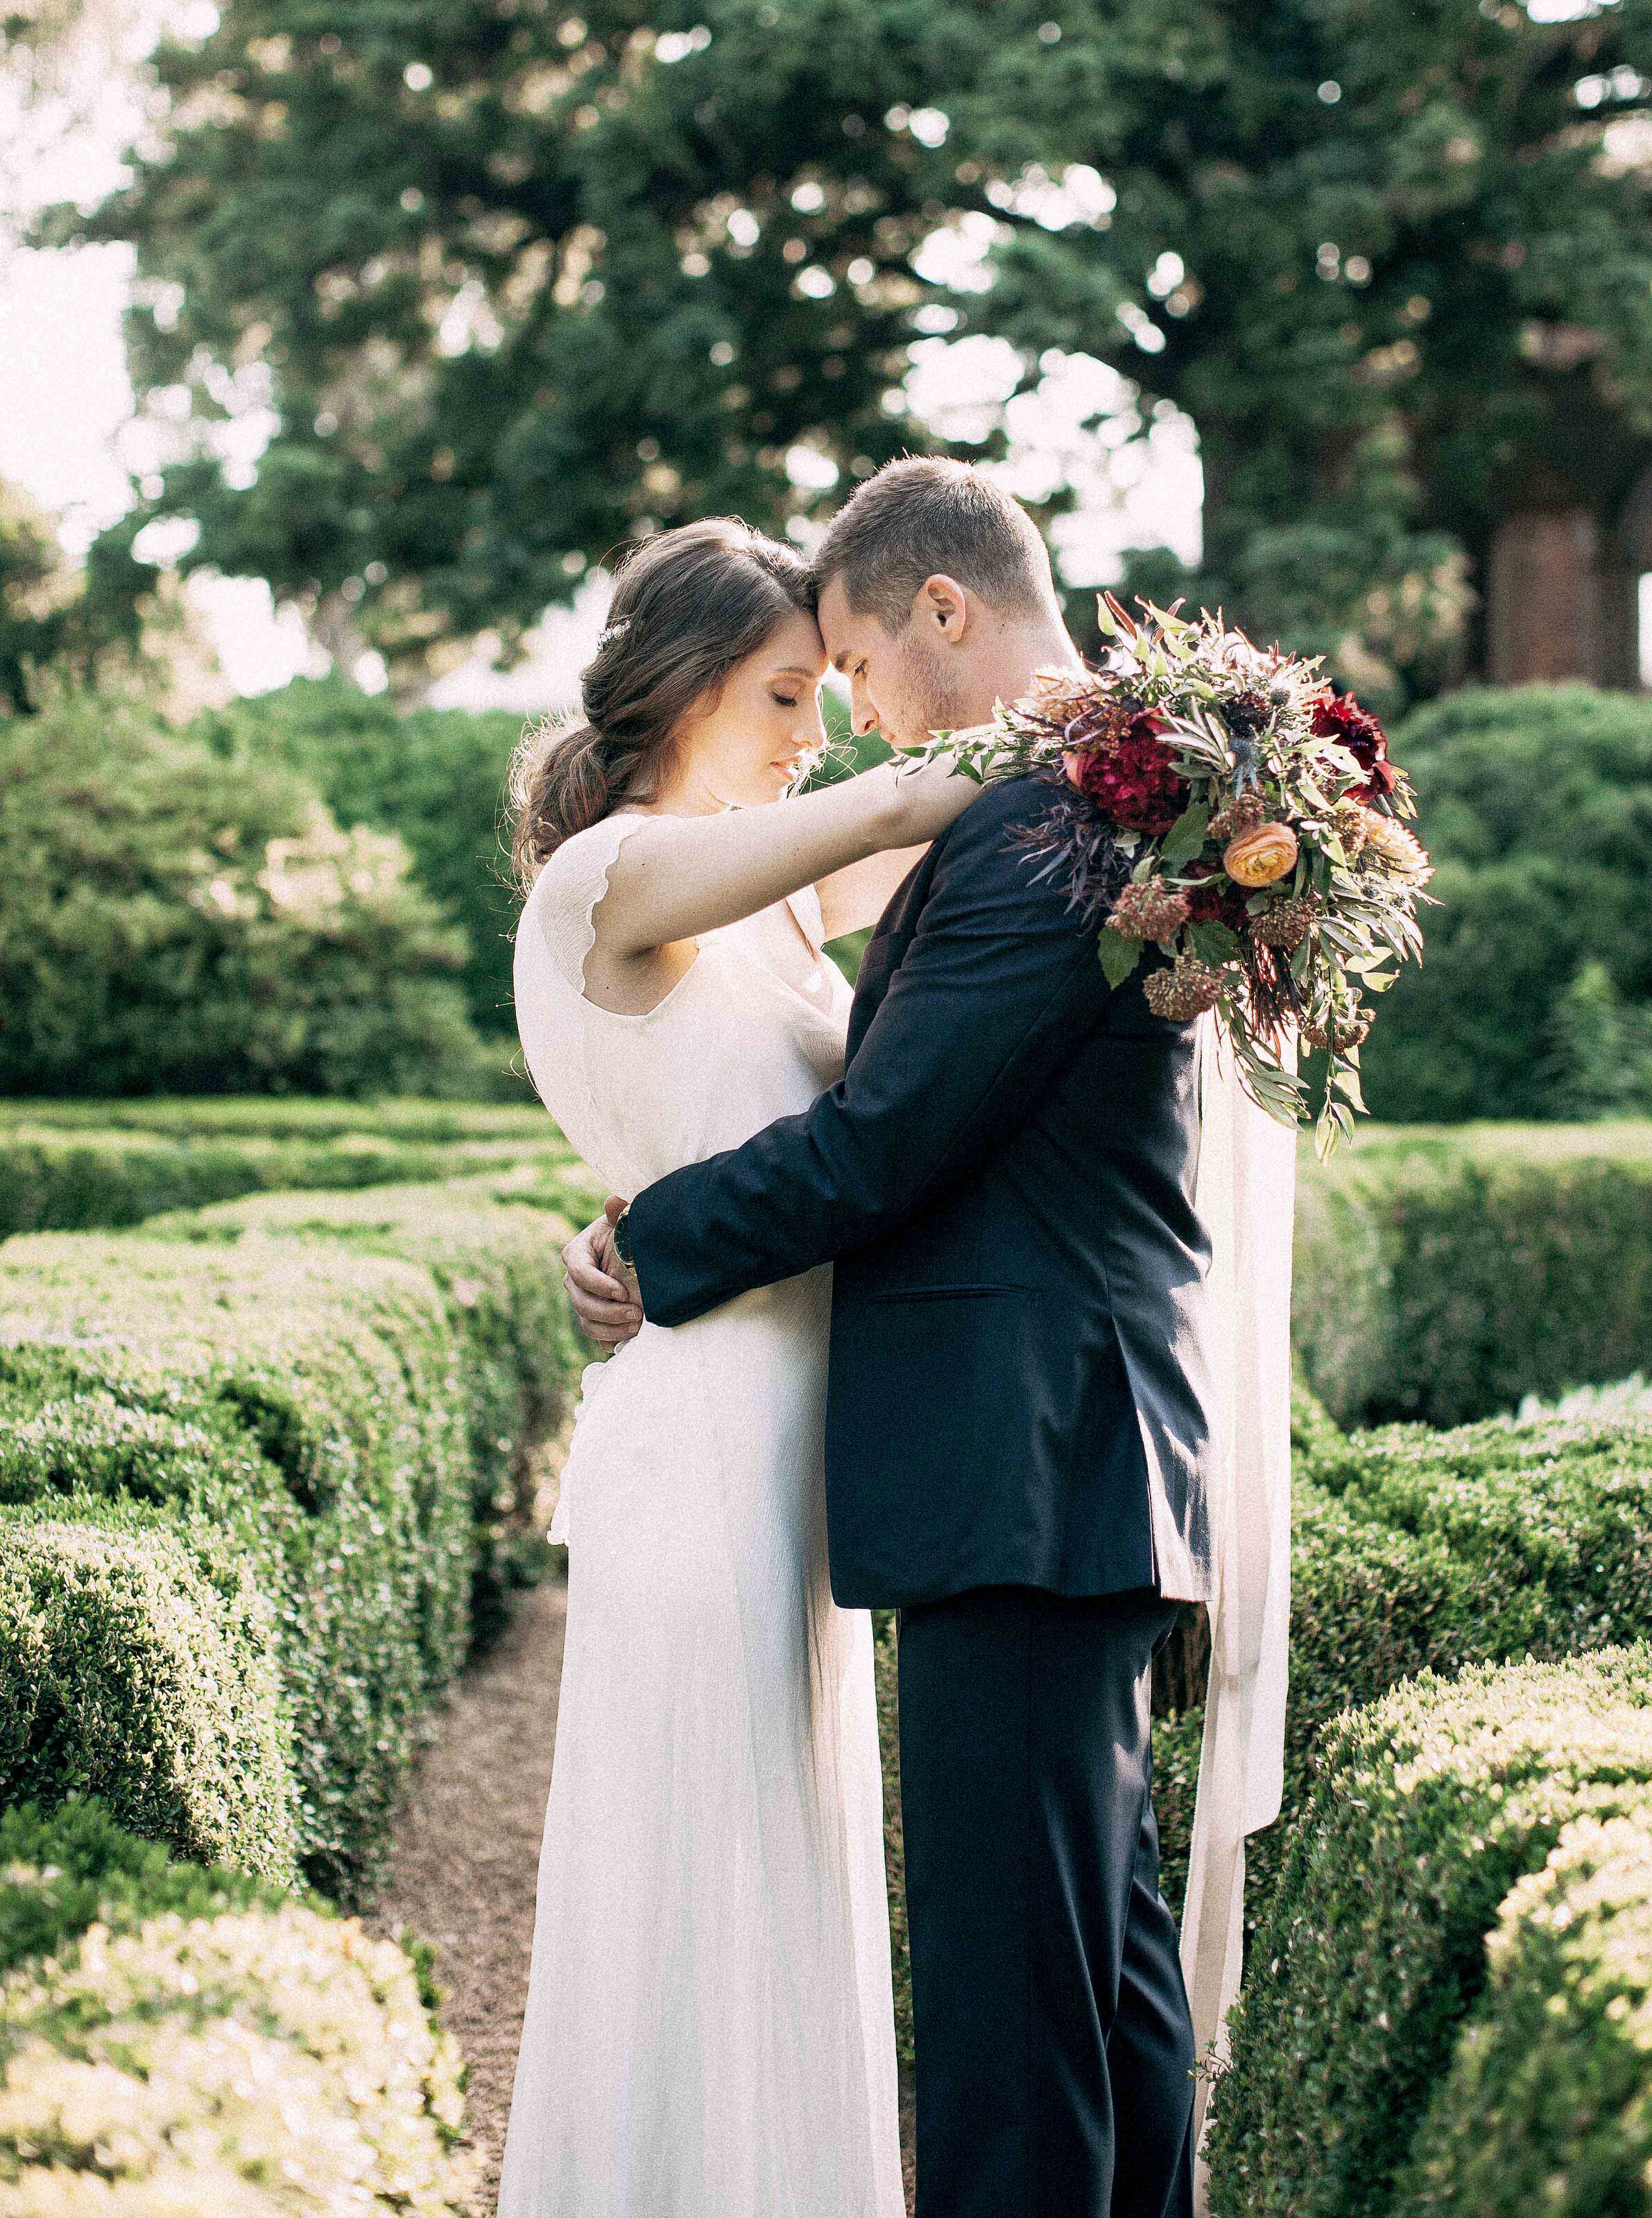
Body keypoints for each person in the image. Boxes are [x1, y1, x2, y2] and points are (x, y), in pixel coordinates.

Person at [563, 457, 1216, 2218]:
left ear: (943, 611)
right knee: (1091, 1981)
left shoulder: (1048, 828)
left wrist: (651, 1239)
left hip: (1025, 1462)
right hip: (1052, 1463)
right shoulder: (1079, 806)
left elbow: (888, 1137)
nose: (845, 718)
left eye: (844, 669)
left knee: (1023, 2026)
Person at [496, 514, 976, 2218]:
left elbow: (939, 879)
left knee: (779, 1889)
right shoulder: (611, 875)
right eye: (791, 691)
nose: (819, 730)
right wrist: (1093, 711)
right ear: (694, 681)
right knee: (698, 1894)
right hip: (701, 1454)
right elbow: (916, 803)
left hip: (795, 1450)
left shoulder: (759, 907)